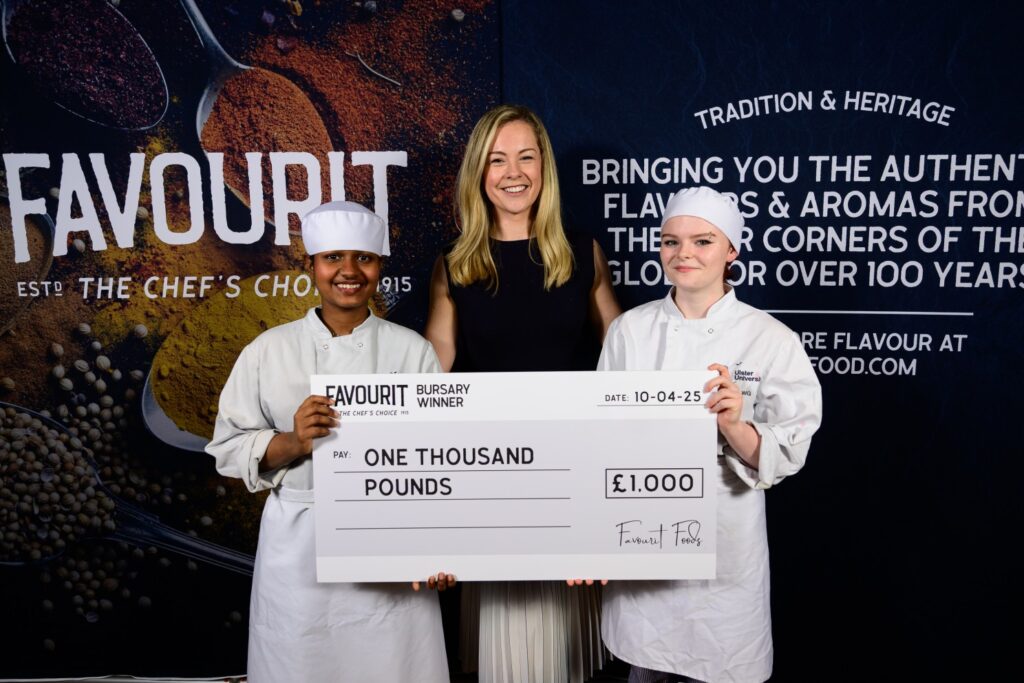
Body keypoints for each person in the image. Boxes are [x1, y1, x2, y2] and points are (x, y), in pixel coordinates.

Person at [206, 201, 451, 683]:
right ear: (311, 267)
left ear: (379, 266)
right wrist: (294, 442)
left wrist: (440, 548)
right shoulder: (268, 350)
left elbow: (438, 460)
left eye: (364, 258)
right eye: (333, 257)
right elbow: (228, 449)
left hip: (390, 549)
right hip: (299, 551)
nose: (349, 271)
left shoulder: (412, 350)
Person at [425, 104, 621, 683]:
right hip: (491, 474)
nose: (513, 172)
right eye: (497, 159)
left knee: (569, 647)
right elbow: (430, 372)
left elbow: (626, 360)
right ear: (478, 173)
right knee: (506, 650)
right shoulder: (454, 264)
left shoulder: (582, 253)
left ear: (544, 168)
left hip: (571, 471)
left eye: (526, 157)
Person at [597, 186, 823, 683]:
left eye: (702, 241)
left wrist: (733, 425)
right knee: (645, 666)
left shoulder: (771, 338)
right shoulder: (629, 332)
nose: (684, 255)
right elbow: (602, 442)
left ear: (732, 250)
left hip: (726, 548)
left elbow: (786, 455)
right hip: (644, 543)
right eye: (670, 241)